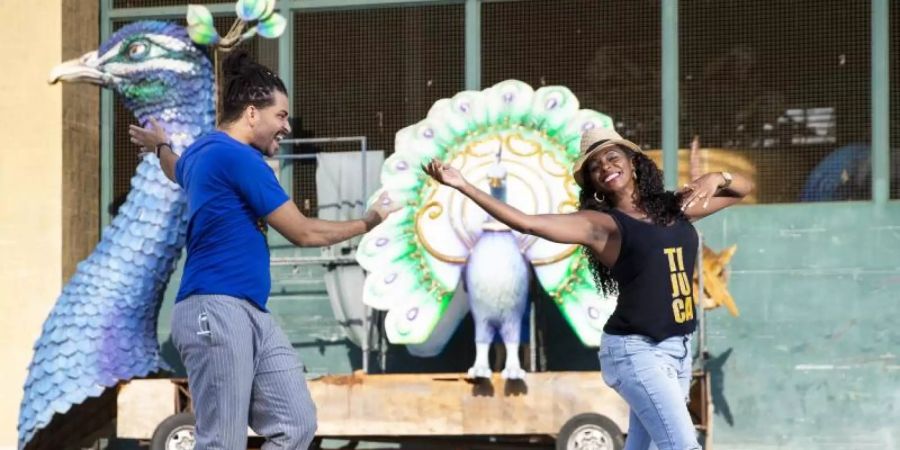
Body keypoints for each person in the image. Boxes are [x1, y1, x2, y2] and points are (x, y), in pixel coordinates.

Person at [129, 51, 398, 449]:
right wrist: (369, 221)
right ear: (252, 114)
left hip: (251, 311)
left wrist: (160, 145)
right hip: (215, 309)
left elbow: (174, 167)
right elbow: (303, 232)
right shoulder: (239, 159)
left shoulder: (203, 154)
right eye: (282, 116)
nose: (287, 127)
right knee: (222, 440)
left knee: (295, 423)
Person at [424, 127, 753, 450]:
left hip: (677, 349)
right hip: (638, 352)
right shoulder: (601, 226)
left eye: (612, 157)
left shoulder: (673, 208)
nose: (605, 167)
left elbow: (742, 189)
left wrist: (717, 177)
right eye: (595, 167)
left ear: (634, 163)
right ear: (594, 184)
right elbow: (526, 222)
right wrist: (463, 185)